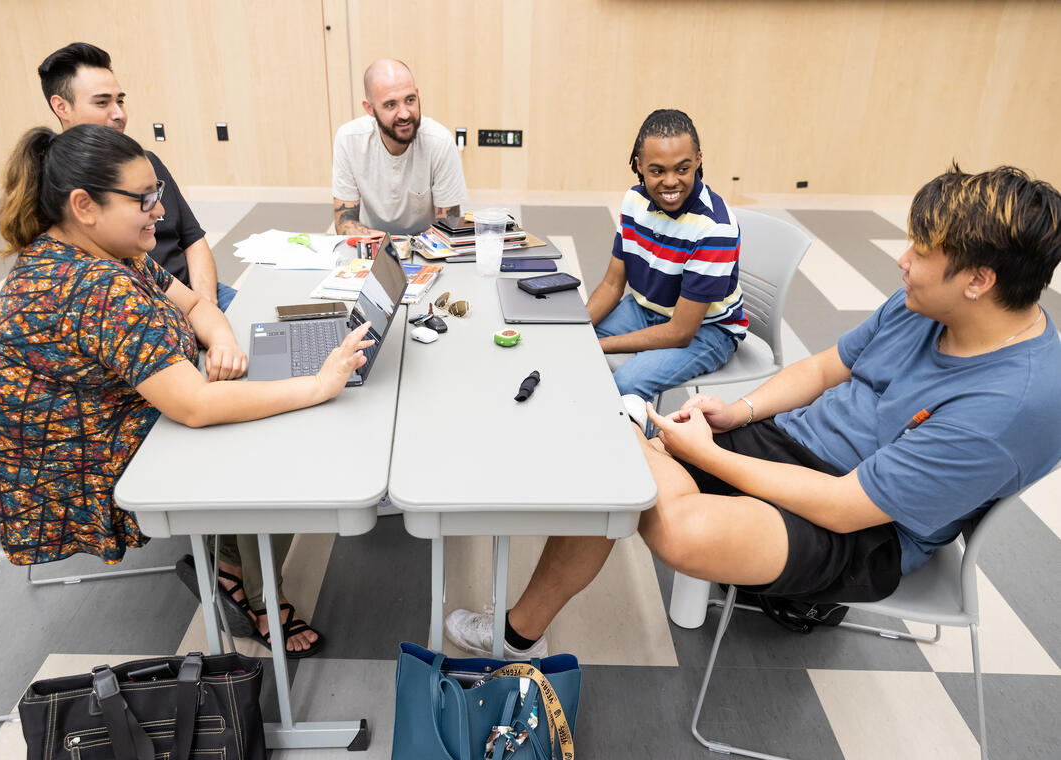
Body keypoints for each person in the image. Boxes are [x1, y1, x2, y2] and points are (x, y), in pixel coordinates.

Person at [445, 164, 1061, 658]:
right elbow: (824, 368)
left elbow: (847, 506)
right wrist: (739, 413)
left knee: (670, 519)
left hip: (867, 529)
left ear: (978, 280)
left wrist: (707, 457)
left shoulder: (1011, 406)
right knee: (612, 461)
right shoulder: (926, 303)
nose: (903, 260)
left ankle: (521, 624)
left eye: (922, 251)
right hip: (793, 447)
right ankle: (517, 637)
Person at [0, 124, 373, 657]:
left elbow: (192, 305)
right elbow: (193, 406)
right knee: (273, 436)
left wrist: (225, 341)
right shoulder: (93, 286)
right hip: (73, 469)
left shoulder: (108, 252)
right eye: (144, 199)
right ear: (84, 205)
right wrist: (320, 385)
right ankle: (259, 594)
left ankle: (233, 565)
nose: (159, 212)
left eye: (157, 194)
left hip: (110, 415)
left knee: (258, 399)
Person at [37, 43, 237, 312]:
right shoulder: (51, 189)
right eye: (102, 102)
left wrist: (206, 305)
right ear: (62, 107)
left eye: (119, 101)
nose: (119, 114)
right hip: (135, 312)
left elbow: (193, 239)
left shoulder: (144, 163)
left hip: (195, 296)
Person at [591, 109, 747, 400]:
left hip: (708, 330)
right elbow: (612, 285)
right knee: (574, 350)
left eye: (682, 169)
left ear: (698, 160)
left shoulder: (715, 229)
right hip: (646, 309)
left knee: (627, 381)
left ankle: (644, 445)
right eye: (657, 171)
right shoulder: (634, 201)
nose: (671, 181)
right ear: (640, 166)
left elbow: (680, 333)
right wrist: (578, 332)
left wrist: (599, 345)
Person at [332, 58, 467, 236]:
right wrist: (387, 250)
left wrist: (405, 250)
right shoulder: (349, 139)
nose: (404, 114)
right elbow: (345, 223)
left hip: (428, 250)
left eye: (410, 100)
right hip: (369, 246)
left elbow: (449, 226)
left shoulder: (440, 142)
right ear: (370, 109)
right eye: (390, 105)